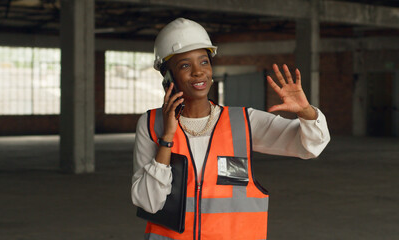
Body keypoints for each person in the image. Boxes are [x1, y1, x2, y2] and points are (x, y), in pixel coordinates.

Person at [131, 18, 330, 240]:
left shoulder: (243, 121)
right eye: (185, 65)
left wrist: (306, 112)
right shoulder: (151, 125)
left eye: (204, 62)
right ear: (168, 76)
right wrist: (167, 137)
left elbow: (311, 146)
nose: (199, 72)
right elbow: (148, 202)